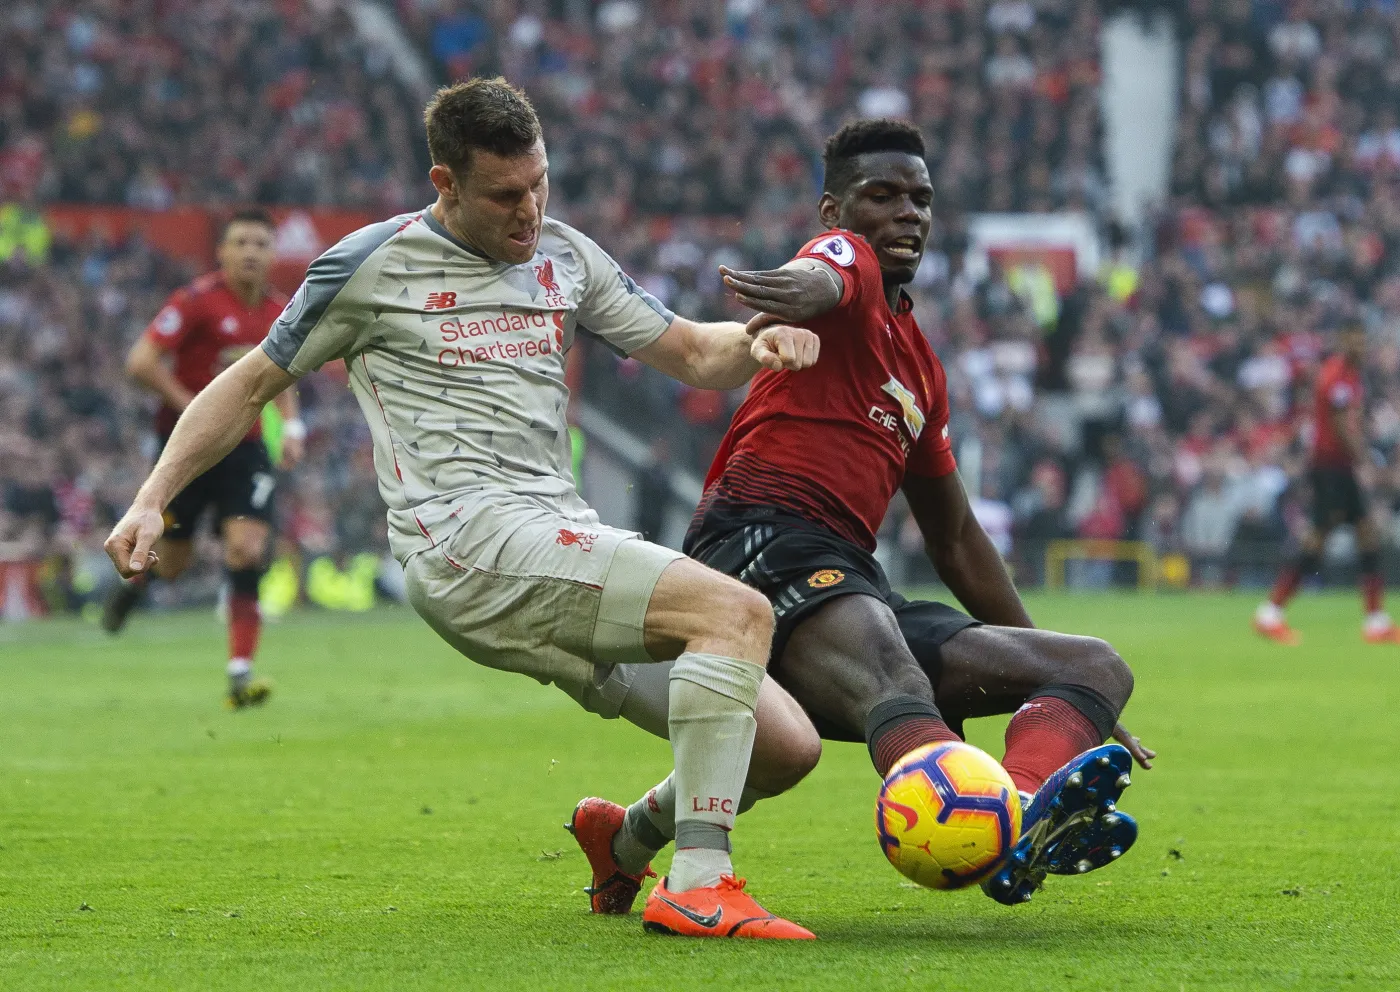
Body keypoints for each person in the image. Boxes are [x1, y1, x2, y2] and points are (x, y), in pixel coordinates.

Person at [104, 78, 825, 940]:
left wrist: (757, 338)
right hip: (463, 541)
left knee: (781, 748)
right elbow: (250, 382)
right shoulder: (371, 264)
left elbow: (695, 352)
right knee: (734, 613)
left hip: (556, 535)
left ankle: (626, 839)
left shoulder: (565, 256)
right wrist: (152, 499)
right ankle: (701, 885)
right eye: (504, 195)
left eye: (539, 184)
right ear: (444, 183)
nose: (530, 211)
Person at [571, 120, 1155, 909]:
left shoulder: (922, 370)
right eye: (882, 195)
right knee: (892, 674)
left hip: (847, 577)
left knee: (1094, 667)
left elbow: (955, 537)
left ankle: (1017, 809)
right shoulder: (848, 270)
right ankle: (1001, 823)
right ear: (834, 210)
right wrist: (797, 289)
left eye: (921, 199)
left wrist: (1040, 677)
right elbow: (827, 272)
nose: (908, 212)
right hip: (754, 545)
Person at [102, 209, 306, 708]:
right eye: (241, 243)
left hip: (246, 447)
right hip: (187, 451)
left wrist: (291, 424)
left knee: (247, 549)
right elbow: (140, 362)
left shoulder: (279, 310)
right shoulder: (195, 301)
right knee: (172, 564)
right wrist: (192, 407)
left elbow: (281, 373)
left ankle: (240, 671)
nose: (251, 252)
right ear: (222, 252)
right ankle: (137, 586)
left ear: (273, 254)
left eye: (261, 244)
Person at [1255, 323, 1400, 644]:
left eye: (1363, 341)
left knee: (1366, 535)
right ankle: (1270, 612)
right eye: (1355, 341)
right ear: (1343, 342)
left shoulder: (1349, 374)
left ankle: (1375, 620)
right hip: (1330, 468)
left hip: (1339, 468)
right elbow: (1341, 425)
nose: (1360, 347)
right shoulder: (1337, 376)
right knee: (1318, 540)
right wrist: (1366, 461)